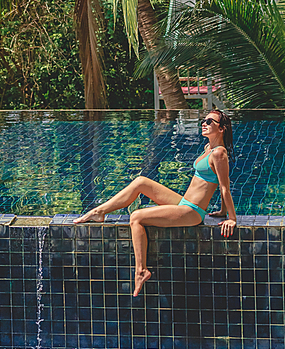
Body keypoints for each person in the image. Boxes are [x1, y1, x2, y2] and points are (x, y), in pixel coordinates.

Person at [74, 109, 237, 297]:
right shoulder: (208, 148)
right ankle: (99, 211)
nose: (204, 123)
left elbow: (224, 186)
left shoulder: (219, 153)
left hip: (192, 212)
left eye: (210, 121)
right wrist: (222, 211)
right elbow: (220, 182)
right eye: (204, 120)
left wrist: (231, 218)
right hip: (185, 202)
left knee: (136, 217)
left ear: (222, 128)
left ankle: (141, 271)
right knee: (141, 182)